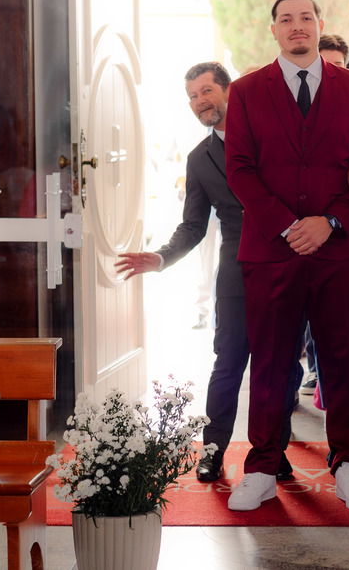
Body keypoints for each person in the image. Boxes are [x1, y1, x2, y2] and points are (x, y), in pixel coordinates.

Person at [224, 0, 349, 512]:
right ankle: (261, 467)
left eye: (306, 17)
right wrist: (289, 226)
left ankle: (348, 463)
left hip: (338, 250)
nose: (297, 26)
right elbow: (239, 169)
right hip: (271, 251)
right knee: (270, 363)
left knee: (342, 359)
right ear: (273, 29)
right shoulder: (246, 91)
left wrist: (330, 222)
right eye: (286, 19)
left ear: (319, 24)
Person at [114, 62, 301, 483]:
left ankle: (273, 451)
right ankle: (213, 452)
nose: (200, 101)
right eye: (192, 96)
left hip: (287, 264)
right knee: (228, 362)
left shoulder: (275, 136)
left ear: (230, 91)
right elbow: (193, 225)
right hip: (236, 271)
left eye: (206, 91)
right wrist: (161, 258)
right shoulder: (199, 159)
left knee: (281, 366)